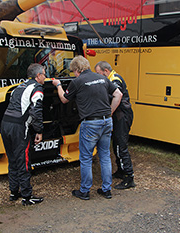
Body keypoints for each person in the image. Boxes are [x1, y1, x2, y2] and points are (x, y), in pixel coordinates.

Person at [52, 55, 122, 200]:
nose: (74, 74)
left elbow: (64, 99)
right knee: (105, 156)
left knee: (85, 157)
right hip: (106, 122)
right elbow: (118, 94)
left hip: (90, 123)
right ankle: (106, 189)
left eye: (73, 71)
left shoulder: (77, 81)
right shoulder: (102, 78)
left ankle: (84, 191)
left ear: (77, 70)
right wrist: (110, 112)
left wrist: (58, 85)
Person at [1, 63, 46, 206]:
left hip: (5, 124)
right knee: (24, 161)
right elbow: (36, 111)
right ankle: (27, 196)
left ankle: (14, 192)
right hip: (19, 127)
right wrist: (39, 131)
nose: (45, 77)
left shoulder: (18, 87)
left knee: (13, 160)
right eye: (44, 74)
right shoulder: (37, 88)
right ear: (38, 76)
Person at [94, 61, 136, 189]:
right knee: (116, 144)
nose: (98, 76)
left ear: (106, 71)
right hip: (119, 116)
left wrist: (109, 112)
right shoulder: (111, 78)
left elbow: (116, 95)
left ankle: (129, 177)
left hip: (122, 116)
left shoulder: (115, 79)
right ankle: (120, 171)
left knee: (120, 146)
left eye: (99, 73)